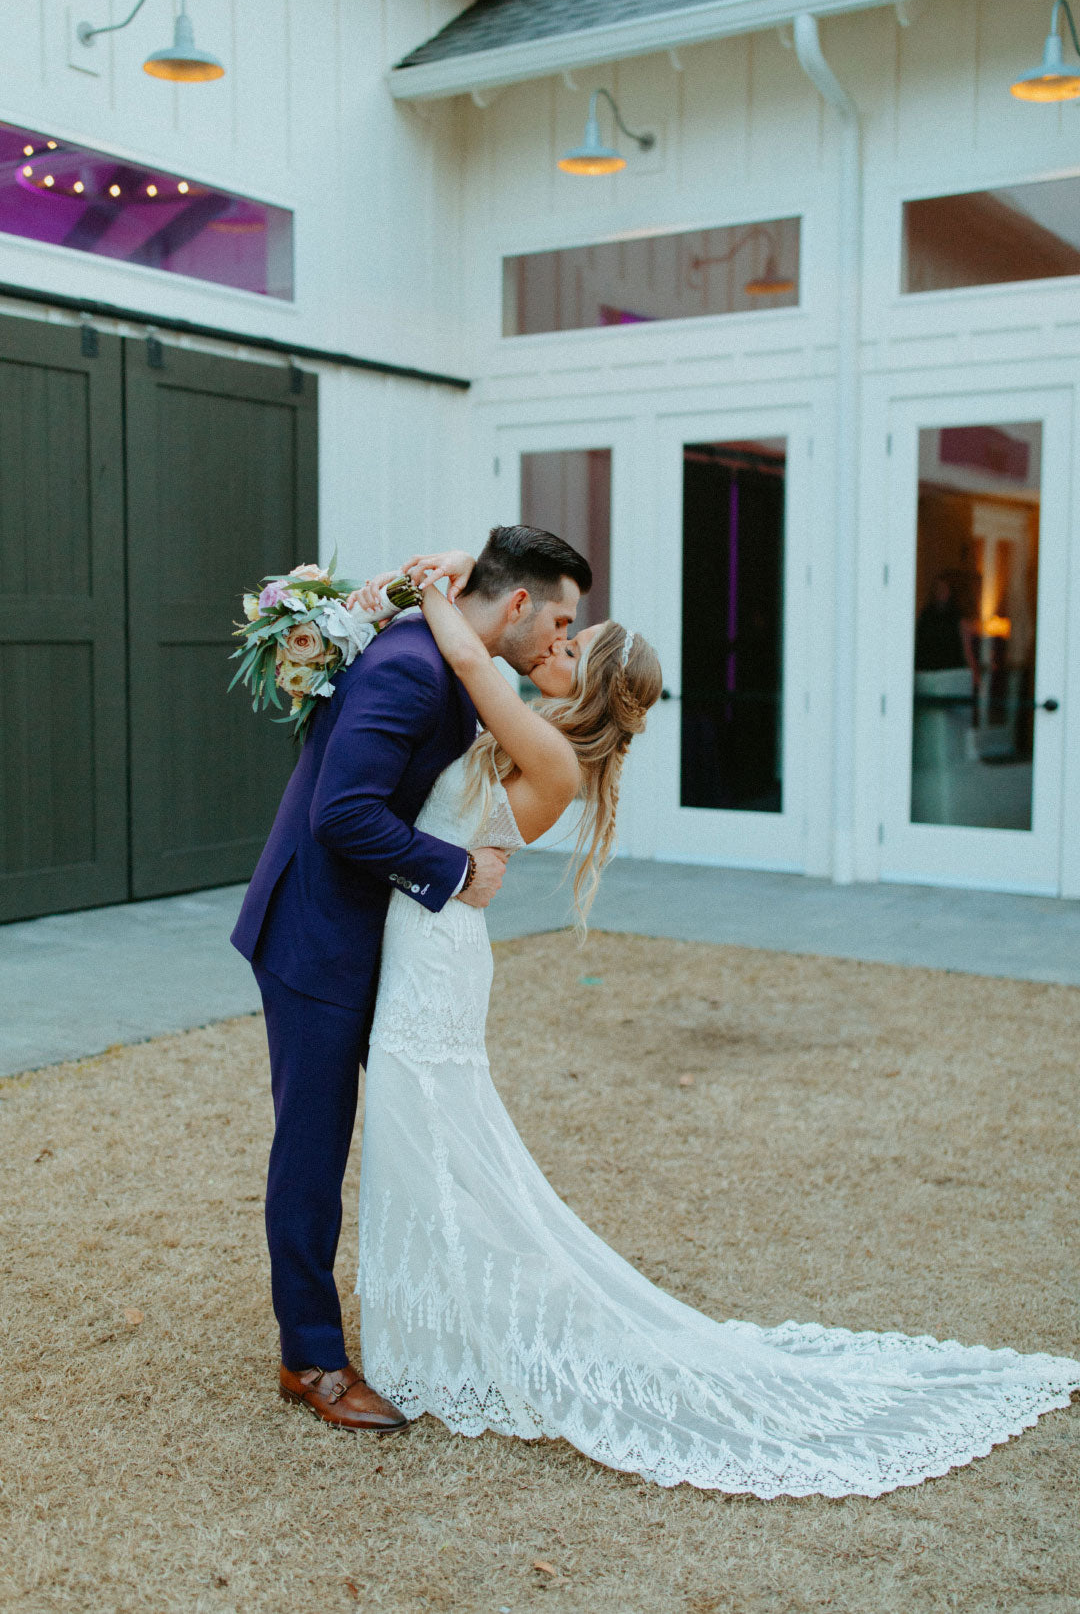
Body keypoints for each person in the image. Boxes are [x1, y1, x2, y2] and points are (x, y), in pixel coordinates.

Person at [349, 551, 1079, 1495]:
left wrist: (434, 590)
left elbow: (476, 662)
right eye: (562, 627)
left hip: (437, 961)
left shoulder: (549, 752)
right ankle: (434, 1321)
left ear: (589, 679)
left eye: (575, 640)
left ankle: (441, 1337)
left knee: (431, 1138)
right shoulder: (523, 736)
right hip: (430, 939)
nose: (557, 640)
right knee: (427, 1141)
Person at [230, 525, 592, 1431]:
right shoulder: (409, 667)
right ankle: (309, 1357)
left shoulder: (453, 654)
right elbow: (340, 812)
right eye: (561, 619)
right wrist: (455, 870)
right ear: (517, 604)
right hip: (317, 935)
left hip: (375, 935)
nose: (562, 638)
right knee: (313, 1148)